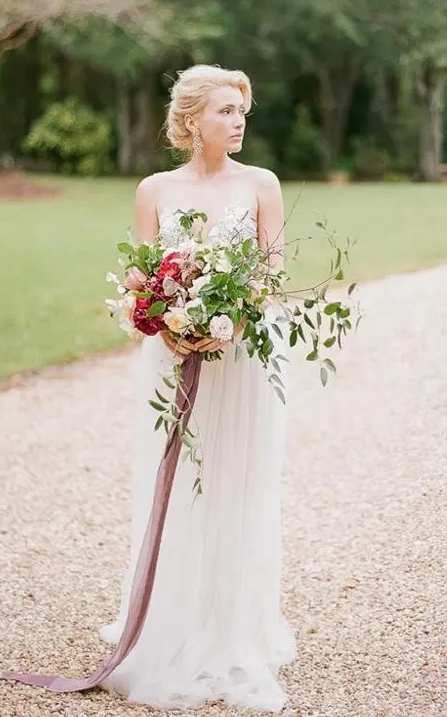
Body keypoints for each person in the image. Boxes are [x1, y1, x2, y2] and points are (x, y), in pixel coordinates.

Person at [98, 64, 296, 710]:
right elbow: (145, 275)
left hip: (243, 359)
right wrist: (164, 320)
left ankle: (234, 625)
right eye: (224, 111)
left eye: (242, 111)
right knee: (180, 481)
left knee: (237, 479)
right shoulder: (154, 188)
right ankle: (171, 621)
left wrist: (235, 317)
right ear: (190, 121)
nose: (238, 122)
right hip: (172, 355)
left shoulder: (261, 183)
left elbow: (272, 268)